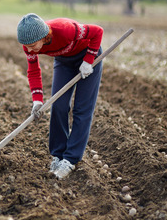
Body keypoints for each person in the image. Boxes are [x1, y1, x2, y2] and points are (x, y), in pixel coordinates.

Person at [16, 13, 104, 179]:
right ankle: (58, 155)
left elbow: (97, 31)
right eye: (25, 46)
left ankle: (70, 159)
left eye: (33, 45)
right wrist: (37, 101)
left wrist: (89, 59)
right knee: (58, 105)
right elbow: (33, 70)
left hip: (87, 56)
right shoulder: (29, 44)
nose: (29, 49)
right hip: (64, 61)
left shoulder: (65, 30)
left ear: (44, 36)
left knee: (82, 109)